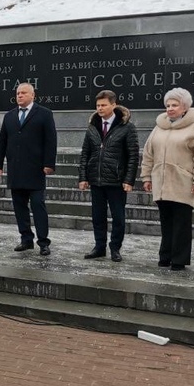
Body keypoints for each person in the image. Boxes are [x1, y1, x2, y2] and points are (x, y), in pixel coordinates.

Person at [140, 87, 194, 271]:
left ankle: (179, 259)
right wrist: (146, 176)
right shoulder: (159, 127)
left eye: (175, 105)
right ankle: (165, 256)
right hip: (161, 182)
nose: (170, 108)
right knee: (166, 222)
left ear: (185, 107)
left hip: (183, 183)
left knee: (181, 223)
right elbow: (148, 154)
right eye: (168, 105)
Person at [0, 82, 57, 256]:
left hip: (36, 170)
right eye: (18, 93)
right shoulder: (10, 116)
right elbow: (2, 141)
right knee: (20, 207)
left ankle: (43, 242)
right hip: (16, 169)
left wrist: (49, 164)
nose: (19, 95)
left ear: (32, 95)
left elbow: (51, 141)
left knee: (38, 205)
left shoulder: (44, 114)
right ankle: (26, 239)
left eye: (23, 93)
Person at [78, 90, 139, 262]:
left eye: (104, 105)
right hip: (96, 180)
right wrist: (83, 177)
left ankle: (115, 248)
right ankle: (99, 247)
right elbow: (85, 154)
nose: (100, 108)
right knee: (97, 216)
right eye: (98, 105)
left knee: (118, 217)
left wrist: (129, 179)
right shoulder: (92, 127)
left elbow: (133, 155)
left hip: (116, 181)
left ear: (113, 105)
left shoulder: (127, 127)